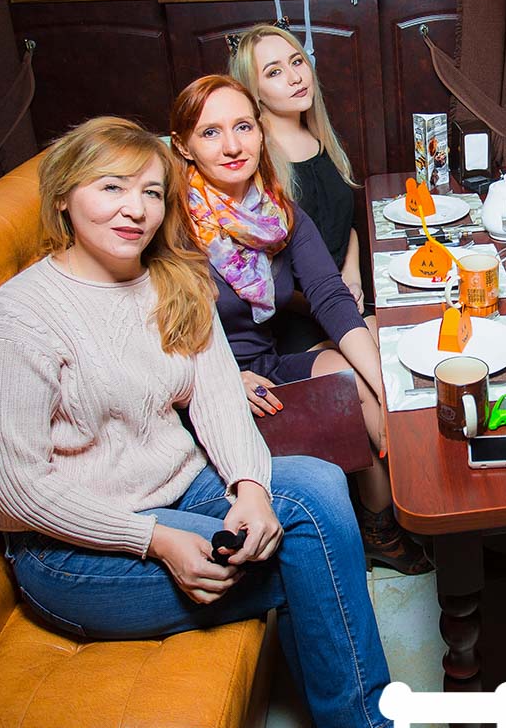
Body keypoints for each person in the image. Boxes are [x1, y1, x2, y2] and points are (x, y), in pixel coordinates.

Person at [0, 116, 481, 728]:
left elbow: (217, 404)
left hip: (183, 489)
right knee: (311, 561)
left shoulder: (173, 282)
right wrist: (155, 539)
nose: (135, 209)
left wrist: (251, 488)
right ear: (63, 197)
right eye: (111, 188)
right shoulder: (20, 317)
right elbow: (16, 491)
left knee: (316, 487)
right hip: (72, 551)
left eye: (151, 192)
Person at [170, 74, 430, 575]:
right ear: (183, 145)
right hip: (210, 388)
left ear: (260, 131)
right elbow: (154, 335)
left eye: (243, 127)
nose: (232, 146)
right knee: (354, 388)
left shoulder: (276, 212)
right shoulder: (172, 225)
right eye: (210, 132)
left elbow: (330, 295)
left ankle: (391, 519)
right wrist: (222, 381)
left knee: (362, 377)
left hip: (267, 364)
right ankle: (393, 519)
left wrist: (388, 390)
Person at [229, 23, 369, 334]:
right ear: (253, 92)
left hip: (345, 297)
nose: (295, 77)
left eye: (297, 61)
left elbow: (346, 226)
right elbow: (256, 273)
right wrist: (329, 302)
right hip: (292, 317)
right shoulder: (255, 163)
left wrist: (352, 278)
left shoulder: (322, 142)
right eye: (274, 72)